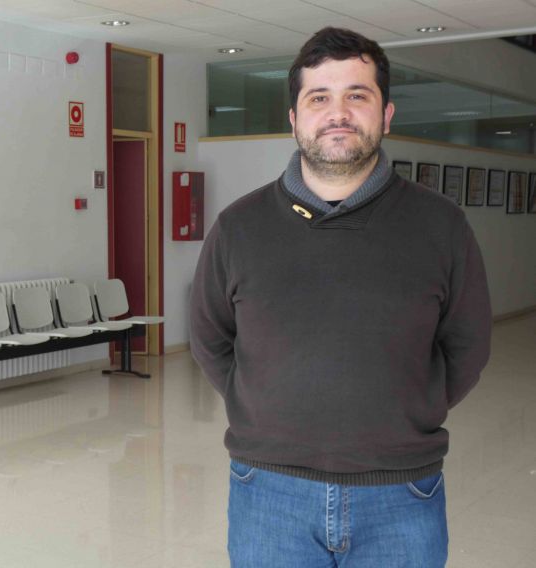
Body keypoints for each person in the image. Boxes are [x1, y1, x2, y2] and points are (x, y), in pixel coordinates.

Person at [189, 27, 492, 567]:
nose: (339, 112)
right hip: (269, 491)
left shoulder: (441, 226)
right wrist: (264, 410)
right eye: (319, 98)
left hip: (402, 492)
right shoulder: (239, 227)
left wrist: (409, 407)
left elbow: (468, 344)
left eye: (358, 95)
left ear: (386, 113)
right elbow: (211, 339)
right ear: (294, 118)